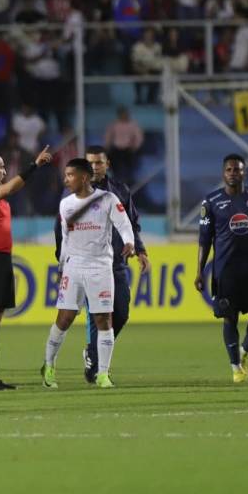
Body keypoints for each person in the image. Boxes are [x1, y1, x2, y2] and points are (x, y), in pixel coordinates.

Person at [54, 146, 149, 383]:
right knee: (98, 315)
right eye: (91, 163)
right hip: (85, 263)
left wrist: (140, 250)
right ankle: (97, 367)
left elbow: (131, 224)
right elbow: (61, 230)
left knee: (122, 313)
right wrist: (63, 260)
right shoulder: (73, 196)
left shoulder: (120, 191)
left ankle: (93, 352)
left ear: (107, 164)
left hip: (115, 263)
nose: (95, 167)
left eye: (99, 163)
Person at [40, 158, 134, 388]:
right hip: (73, 268)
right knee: (64, 319)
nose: (66, 180)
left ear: (84, 177)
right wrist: (62, 267)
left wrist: (130, 243)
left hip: (100, 267)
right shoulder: (66, 205)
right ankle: (49, 365)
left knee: (104, 320)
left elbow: (124, 224)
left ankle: (102, 374)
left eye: (70, 175)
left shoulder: (107, 199)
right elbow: (64, 239)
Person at [0, 145, 53, 391]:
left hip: (2, 259)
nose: (4, 171)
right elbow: (12, 187)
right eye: (2, 167)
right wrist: (34, 166)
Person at [194, 155, 248, 383]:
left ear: (244, 173)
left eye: (237, 170)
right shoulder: (211, 202)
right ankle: (235, 367)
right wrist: (199, 270)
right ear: (223, 173)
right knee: (229, 319)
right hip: (225, 272)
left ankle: (244, 352)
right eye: (229, 169)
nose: (233, 173)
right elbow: (204, 240)